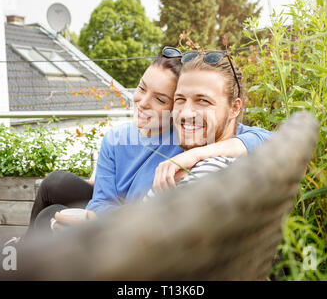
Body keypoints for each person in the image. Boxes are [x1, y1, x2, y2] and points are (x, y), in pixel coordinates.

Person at [36, 47, 272, 234]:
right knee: (55, 187)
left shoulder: (191, 144)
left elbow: (267, 139)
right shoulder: (124, 138)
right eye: (181, 99)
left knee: (52, 215)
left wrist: (195, 154)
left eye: (161, 99)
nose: (144, 102)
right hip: (127, 227)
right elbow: (105, 202)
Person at [145, 49, 247, 200]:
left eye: (203, 101)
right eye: (180, 99)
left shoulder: (210, 171)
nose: (186, 113)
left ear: (234, 108)